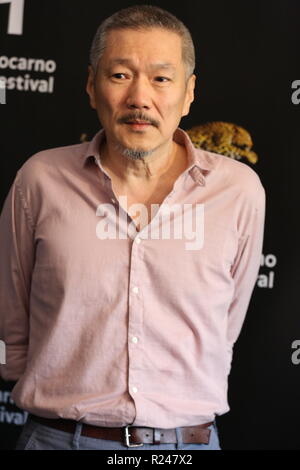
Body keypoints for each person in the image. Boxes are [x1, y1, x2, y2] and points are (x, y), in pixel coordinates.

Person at [0, 5, 265, 451]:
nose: (139, 98)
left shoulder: (238, 192)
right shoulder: (40, 179)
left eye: (161, 78)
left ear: (188, 93)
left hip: (189, 446)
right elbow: (11, 317)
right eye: (120, 75)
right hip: (59, 438)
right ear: (91, 86)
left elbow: (226, 325)